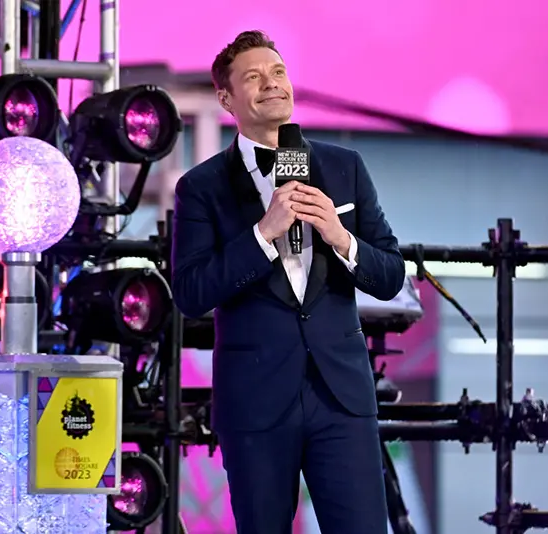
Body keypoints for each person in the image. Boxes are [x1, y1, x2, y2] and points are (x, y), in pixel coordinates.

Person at [171, 30, 406, 534]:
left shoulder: (344, 167)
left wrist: (342, 239)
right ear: (226, 98)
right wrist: (261, 235)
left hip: (340, 397)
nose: (271, 84)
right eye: (253, 78)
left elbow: (389, 276)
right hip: (255, 402)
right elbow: (190, 293)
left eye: (278, 73)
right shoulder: (201, 188)